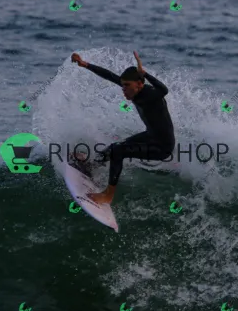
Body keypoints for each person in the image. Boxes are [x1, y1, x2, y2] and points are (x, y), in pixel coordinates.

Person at [70, 51, 175, 205]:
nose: (123, 89)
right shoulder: (132, 88)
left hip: (162, 147)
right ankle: (92, 166)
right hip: (150, 135)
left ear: (139, 84)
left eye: (127, 86)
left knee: (118, 151)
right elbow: (109, 75)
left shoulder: (151, 94)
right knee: (114, 147)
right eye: (123, 85)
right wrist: (85, 64)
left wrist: (145, 74)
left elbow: (164, 90)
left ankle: (108, 195)